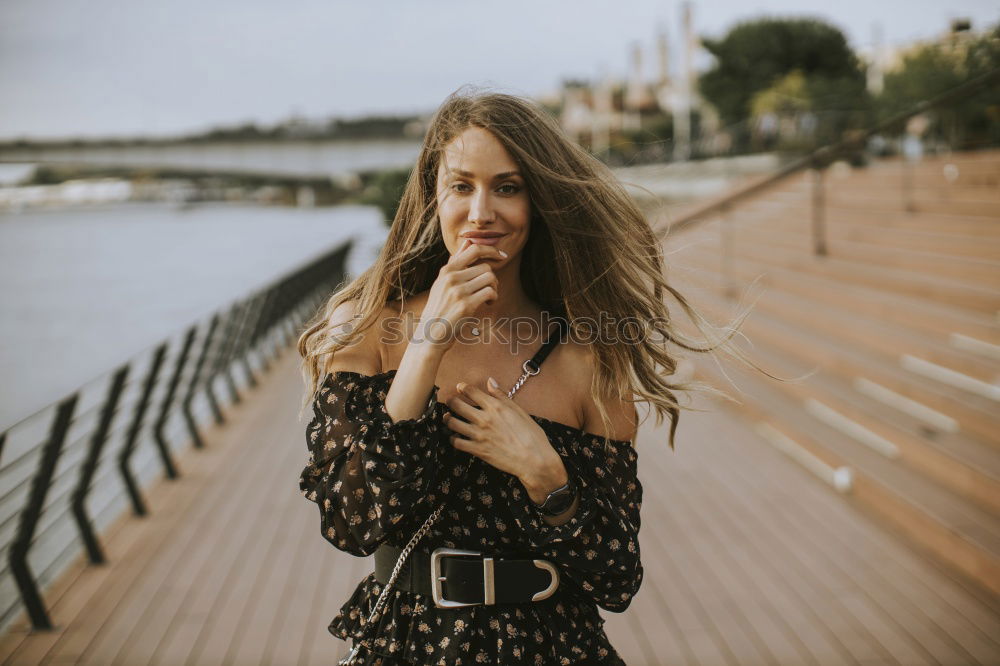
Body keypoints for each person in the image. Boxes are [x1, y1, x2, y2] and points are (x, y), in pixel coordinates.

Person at [296, 87, 753, 665]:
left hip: (552, 647)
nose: (481, 212)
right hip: (410, 646)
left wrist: (547, 476)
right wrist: (426, 345)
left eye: (507, 188)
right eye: (462, 186)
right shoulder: (366, 330)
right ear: (433, 198)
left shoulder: (588, 361)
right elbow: (351, 521)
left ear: (538, 203)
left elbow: (617, 578)